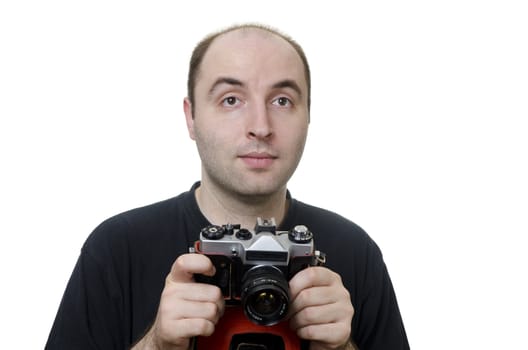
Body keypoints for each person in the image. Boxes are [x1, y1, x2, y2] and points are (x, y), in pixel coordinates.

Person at [46, 23, 409, 350]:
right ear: (191, 117)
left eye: (282, 100)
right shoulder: (117, 248)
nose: (260, 126)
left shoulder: (355, 252)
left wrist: (342, 347)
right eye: (231, 100)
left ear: (308, 115)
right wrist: (156, 345)